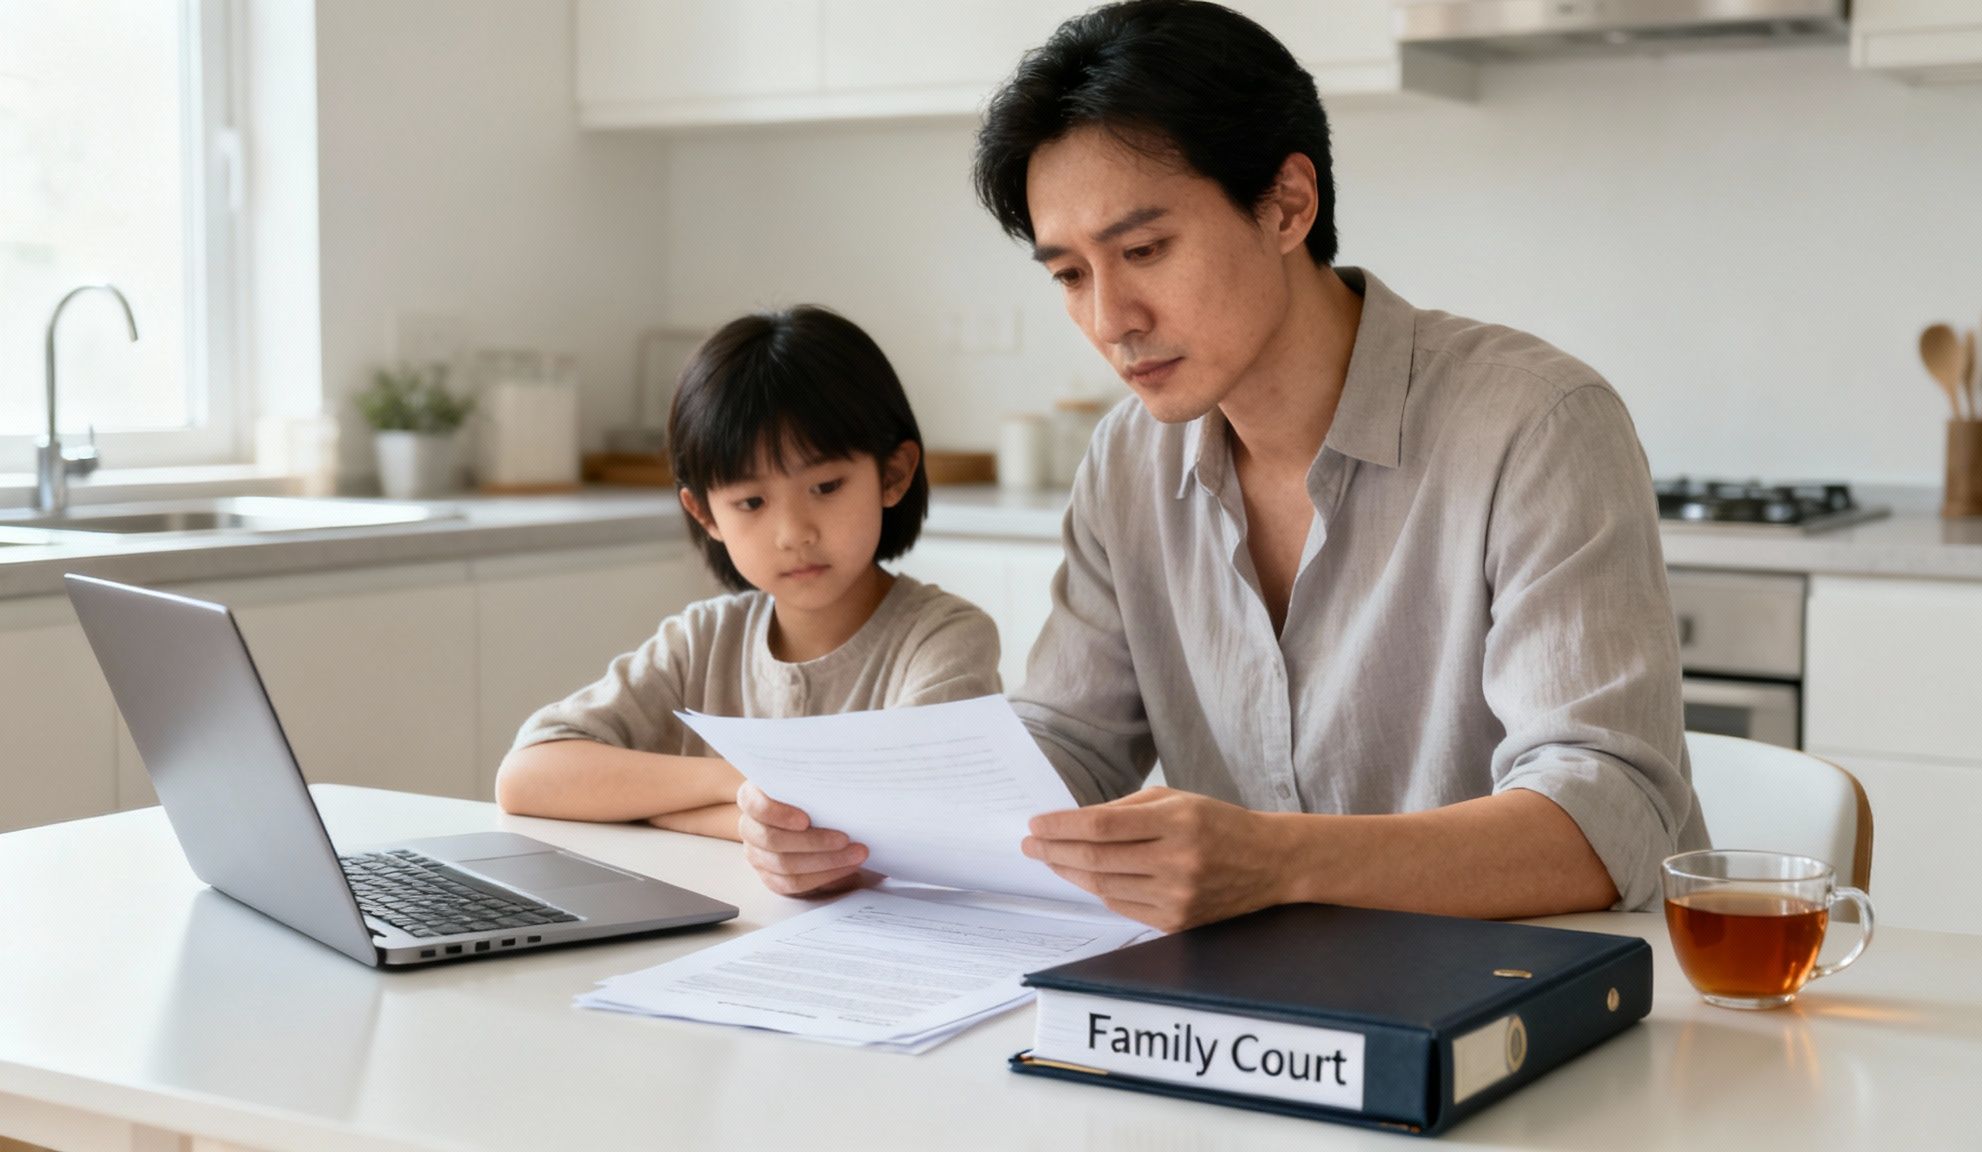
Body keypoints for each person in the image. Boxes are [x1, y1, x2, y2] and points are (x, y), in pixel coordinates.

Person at [735, 0, 1707, 927]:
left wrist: (1278, 862)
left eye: (1145, 249)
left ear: (1286, 205)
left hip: (1545, 998)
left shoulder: (1533, 425)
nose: (1109, 320)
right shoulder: (1126, 457)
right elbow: (1070, 740)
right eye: (1069, 275)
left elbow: (1604, 814)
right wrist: (850, 824)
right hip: (1259, 1011)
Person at [496, 306, 1000, 846]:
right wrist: (742, 787)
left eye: (826, 487)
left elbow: (881, 829)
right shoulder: (702, 641)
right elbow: (527, 777)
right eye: (751, 501)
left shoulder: (945, 639)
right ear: (706, 514)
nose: (793, 533)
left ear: (893, 475)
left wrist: (663, 811)